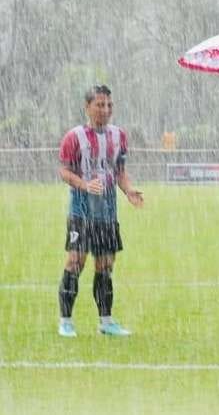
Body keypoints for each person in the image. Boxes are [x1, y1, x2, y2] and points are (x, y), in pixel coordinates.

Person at [57, 85, 144, 338]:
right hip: (81, 212)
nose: (105, 110)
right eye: (100, 105)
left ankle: (106, 322)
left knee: (105, 266)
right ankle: (66, 322)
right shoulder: (74, 137)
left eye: (109, 105)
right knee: (76, 262)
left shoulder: (119, 136)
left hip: (107, 213)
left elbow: (119, 171)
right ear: (87, 107)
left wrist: (128, 190)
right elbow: (64, 171)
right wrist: (84, 185)